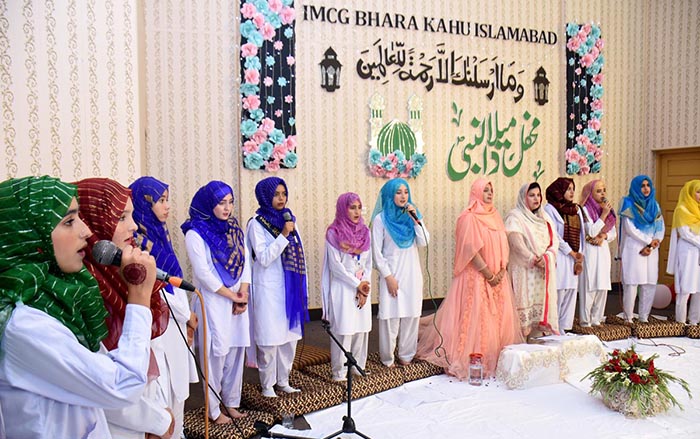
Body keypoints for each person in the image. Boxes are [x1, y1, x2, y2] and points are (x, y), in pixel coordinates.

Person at [0, 176, 157, 439]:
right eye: (69, 221)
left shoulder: (61, 298)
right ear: (28, 236)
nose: (85, 231)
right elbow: (122, 384)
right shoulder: (23, 326)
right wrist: (139, 298)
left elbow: (99, 367)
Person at [77, 177, 174, 439]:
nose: (133, 226)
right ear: (92, 223)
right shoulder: (84, 292)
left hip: (147, 409)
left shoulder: (115, 275)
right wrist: (157, 420)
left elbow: (145, 353)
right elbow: (104, 385)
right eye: (121, 217)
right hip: (119, 424)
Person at [416, 178, 522, 378]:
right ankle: (477, 359)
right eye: (486, 190)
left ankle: (496, 358)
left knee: (497, 319)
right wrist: (488, 273)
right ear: (476, 192)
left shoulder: (496, 216)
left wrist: (501, 270)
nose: (490, 194)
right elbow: (469, 250)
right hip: (477, 277)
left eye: (492, 190)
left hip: (498, 278)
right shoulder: (468, 217)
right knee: (478, 320)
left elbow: (504, 246)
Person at [130, 176, 199, 436]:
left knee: (178, 385)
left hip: (178, 320)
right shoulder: (140, 242)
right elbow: (159, 289)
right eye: (161, 200)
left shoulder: (160, 235)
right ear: (144, 204)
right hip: (162, 324)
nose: (167, 206)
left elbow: (174, 281)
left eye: (167, 200)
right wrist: (187, 314)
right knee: (165, 385)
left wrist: (187, 314)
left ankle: (179, 432)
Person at [182, 181, 250, 423]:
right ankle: (213, 410)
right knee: (215, 354)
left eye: (230, 202)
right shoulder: (195, 232)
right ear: (209, 204)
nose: (227, 208)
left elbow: (244, 262)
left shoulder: (233, 228)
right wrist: (233, 296)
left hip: (236, 299)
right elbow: (204, 273)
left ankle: (231, 403)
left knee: (235, 351)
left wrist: (243, 292)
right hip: (212, 300)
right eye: (221, 203)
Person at [246, 177, 308, 397]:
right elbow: (262, 258)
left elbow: (299, 253)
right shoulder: (257, 223)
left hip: (289, 287)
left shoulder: (288, 218)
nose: (281, 198)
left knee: (289, 339)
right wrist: (283, 235)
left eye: (284, 193)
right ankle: (267, 385)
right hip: (268, 289)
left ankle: (283, 380)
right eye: (276, 194)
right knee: (270, 340)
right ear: (265, 196)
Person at [371, 178, 430, 368]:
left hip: (412, 274)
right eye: (398, 192)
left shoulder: (412, 216)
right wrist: (388, 277)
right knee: (390, 318)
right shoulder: (381, 219)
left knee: (412, 316)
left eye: (406, 192)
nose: (403, 196)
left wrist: (416, 220)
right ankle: (387, 359)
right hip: (392, 275)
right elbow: (376, 252)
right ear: (390, 195)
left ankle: (406, 355)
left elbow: (424, 241)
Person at [321, 192, 372, 381]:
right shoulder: (333, 233)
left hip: (362, 289)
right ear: (343, 209)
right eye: (352, 207)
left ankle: (358, 367)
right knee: (344, 331)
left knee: (361, 330)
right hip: (343, 288)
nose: (357, 211)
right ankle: (339, 373)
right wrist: (358, 284)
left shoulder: (366, 232)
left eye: (359, 207)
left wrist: (365, 287)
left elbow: (368, 263)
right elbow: (336, 267)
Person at [505, 182, 559, 340]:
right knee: (524, 316)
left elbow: (554, 241)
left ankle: (537, 345)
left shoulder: (544, 216)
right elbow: (515, 243)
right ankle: (522, 346)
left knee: (540, 311)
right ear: (523, 197)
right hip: (524, 270)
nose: (536, 198)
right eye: (532, 195)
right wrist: (533, 259)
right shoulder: (515, 217)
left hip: (543, 270)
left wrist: (548, 256)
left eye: (538, 194)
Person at [618, 175, 665, 323]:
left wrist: (653, 243)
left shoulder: (654, 205)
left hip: (651, 250)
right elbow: (630, 228)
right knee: (632, 283)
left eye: (648, 185)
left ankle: (644, 318)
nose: (646, 188)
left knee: (649, 283)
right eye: (642, 186)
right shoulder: (628, 203)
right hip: (635, 248)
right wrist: (649, 241)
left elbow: (660, 227)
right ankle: (629, 318)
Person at [544, 177, 585, 332]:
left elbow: (582, 233)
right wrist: (571, 252)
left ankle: (564, 328)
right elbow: (554, 235)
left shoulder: (576, 209)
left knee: (571, 291)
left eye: (573, 189)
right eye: (568, 189)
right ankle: (553, 328)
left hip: (574, 257)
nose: (572, 192)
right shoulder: (549, 209)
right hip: (560, 255)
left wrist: (579, 255)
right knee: (559, 291)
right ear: (559, 191)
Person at [578, 179, 616, 327]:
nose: (603, 194)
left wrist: (604, 236)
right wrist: (603, 215)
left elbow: (612, 233)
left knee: (602, 286)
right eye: (598, 191)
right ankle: (585, 321)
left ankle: (597, 319)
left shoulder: (607, 211)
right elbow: (591, 231)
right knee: (590, 285)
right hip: (590, 251)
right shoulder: (584, 209)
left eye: (604, 190)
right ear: (590, 193)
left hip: (603, 249)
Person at [667, 180, 700, 325]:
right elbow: (684, 233)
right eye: (698, 191)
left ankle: (694, 321)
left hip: (698, 252)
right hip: (687, 251)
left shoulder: (698, 209)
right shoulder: (682, 209)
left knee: (698, 288)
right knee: (685, 287)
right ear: (690, 192)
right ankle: (680, 322)